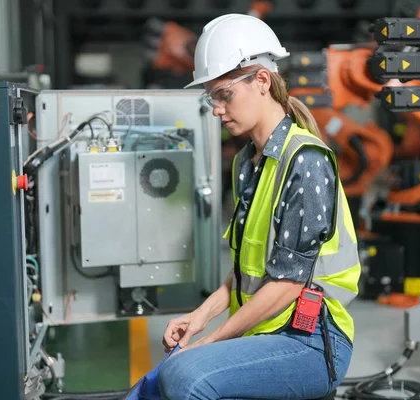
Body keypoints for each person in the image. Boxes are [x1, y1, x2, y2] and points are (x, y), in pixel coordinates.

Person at [157, 13, 361, 400]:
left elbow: (286, 283)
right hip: (268, 329)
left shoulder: (305, 160)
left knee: (187, 377)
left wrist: (212, 341)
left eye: (224, 95)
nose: (216, 109)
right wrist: (198, 319)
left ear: (262, 81)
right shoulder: (246, 162)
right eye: (211, 97)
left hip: (311, 340)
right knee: (173, 368)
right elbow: (247, 271)